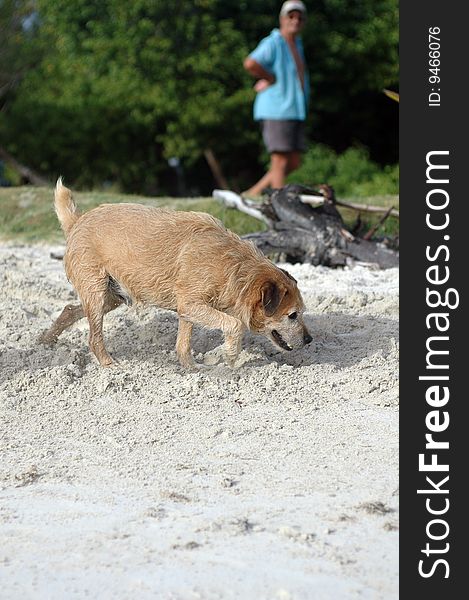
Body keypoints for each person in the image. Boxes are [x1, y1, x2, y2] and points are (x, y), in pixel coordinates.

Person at [243, 0, 309, 196]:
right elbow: (250, 63)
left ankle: (253, 192)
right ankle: (280, 205)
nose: (295, 20)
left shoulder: (297, 44)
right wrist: (268, 77)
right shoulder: (273, 42)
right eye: (291, 16)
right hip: (277, 108)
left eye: (300, 17)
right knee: (280, 160)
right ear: (282, 19)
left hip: (294, 110)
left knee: (294, 161)